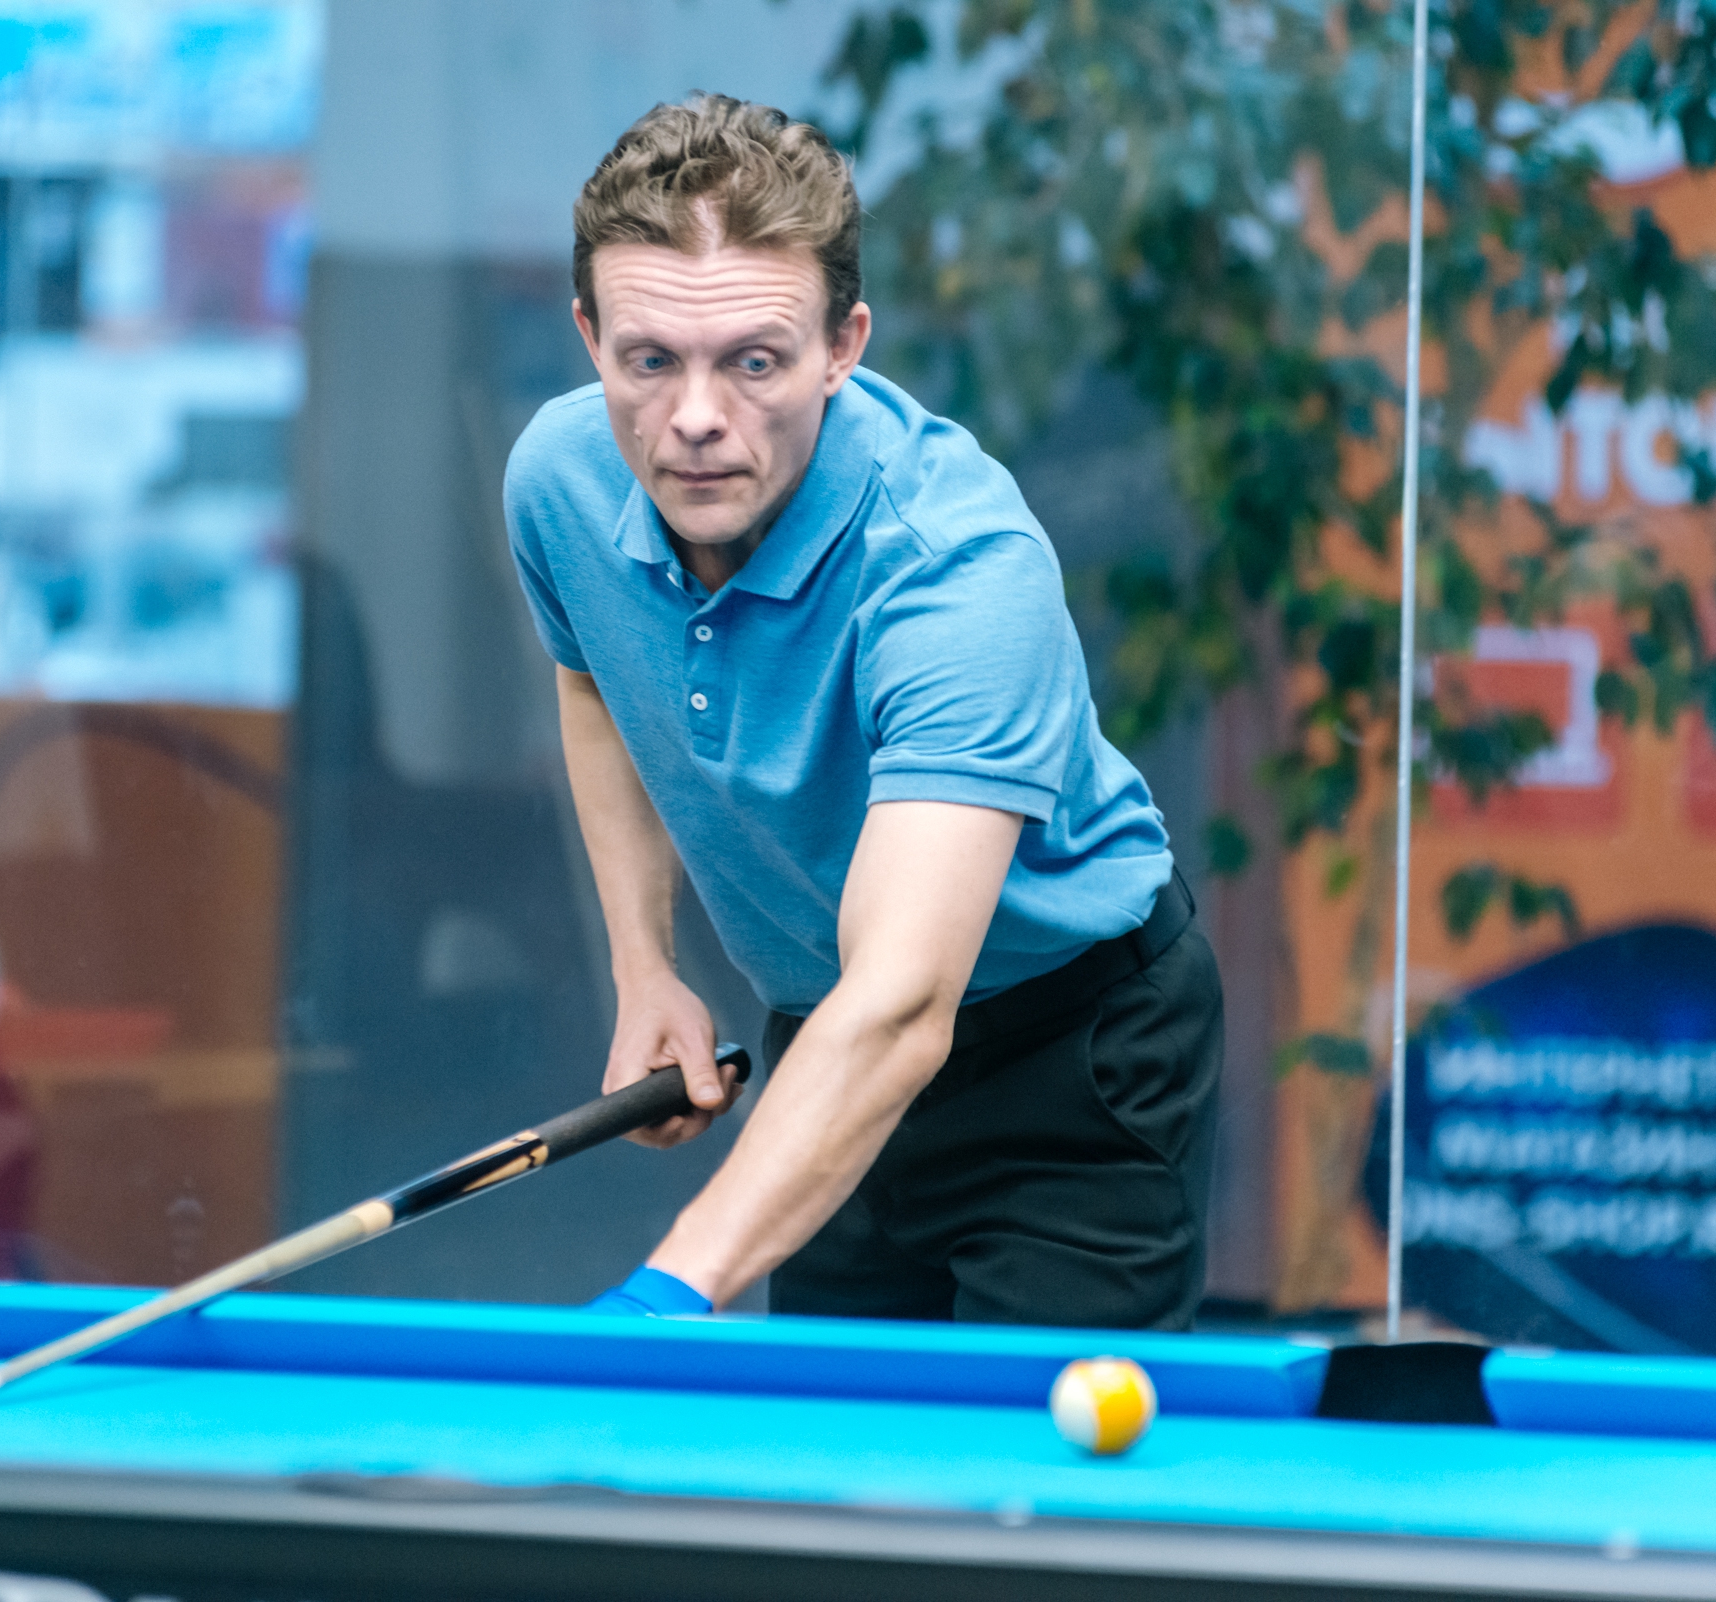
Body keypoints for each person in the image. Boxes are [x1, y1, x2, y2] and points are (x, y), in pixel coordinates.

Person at [505, 93, 1222, 1329]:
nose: (694, 419)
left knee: (1014, 1461)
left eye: (755, 361)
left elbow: (898, 1001)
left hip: (1066, 1056)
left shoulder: (957, 572)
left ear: (844, 346)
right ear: (590, 338)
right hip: (827, 1039)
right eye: (649, 360)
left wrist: (668, 1291)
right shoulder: (561, 481)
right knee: (832, 1445)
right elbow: (595, 681)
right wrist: (645, 968)